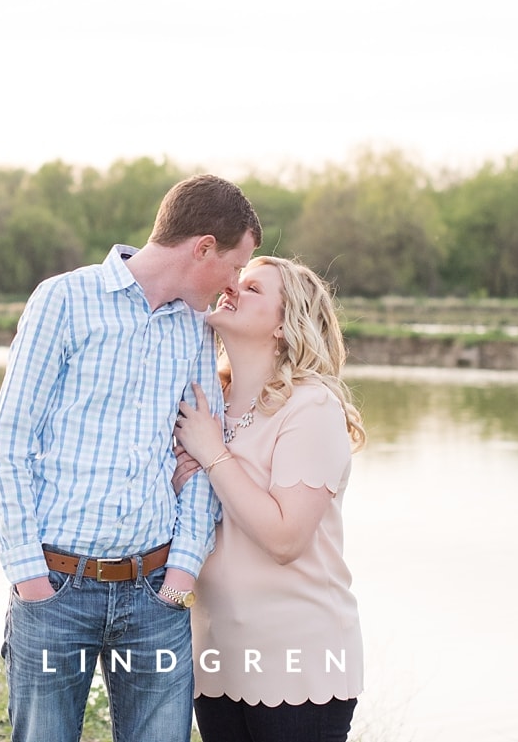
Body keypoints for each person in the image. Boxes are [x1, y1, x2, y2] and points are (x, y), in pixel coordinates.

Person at [0, 174, 262, 742]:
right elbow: (10, 443)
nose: (234, 285)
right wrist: (28, 575)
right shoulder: (64, 299)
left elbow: (203, 449)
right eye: (235, 267)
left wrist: (182, 572)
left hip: (155, 594)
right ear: (202, 247)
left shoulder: (193, 330)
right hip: (55, 587)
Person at [172, 256, 367, 742]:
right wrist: (176, 481)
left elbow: (285, 538)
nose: (231, 289)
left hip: (299, 661)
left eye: (253, 289)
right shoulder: (206, 403)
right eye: (236, 282)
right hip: (216, 654)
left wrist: (213, 454)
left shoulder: (311, 406)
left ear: (284, 324)